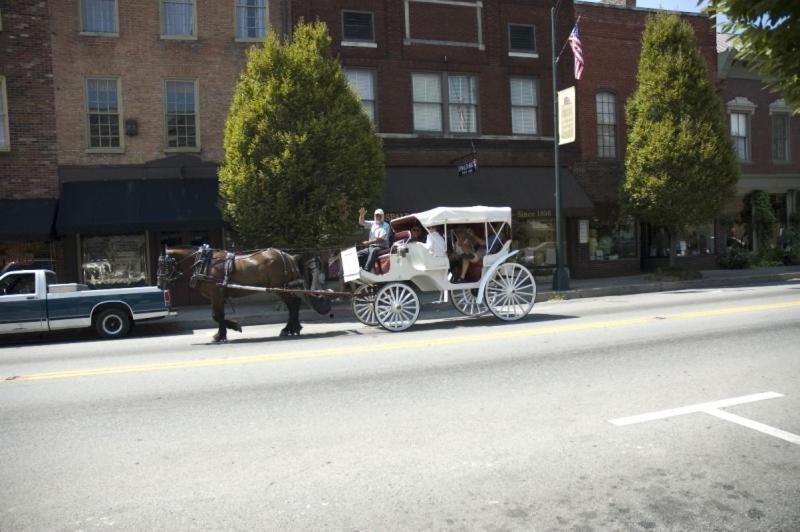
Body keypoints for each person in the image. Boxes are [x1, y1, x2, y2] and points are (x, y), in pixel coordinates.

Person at [357, 207, 390, 272]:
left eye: (379, 215)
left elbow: (381, 239)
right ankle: (357, 270)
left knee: (373, 251)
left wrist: (369, 242)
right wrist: (361, 215)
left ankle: (366, 270)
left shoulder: (386, 225)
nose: (378, 217)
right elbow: (362, 222)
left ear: (382, 216)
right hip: (371, 246)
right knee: (358, 254)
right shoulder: (373, 223)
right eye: (376, 215)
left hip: (382, 247)